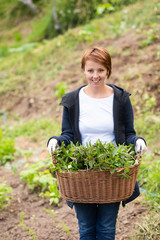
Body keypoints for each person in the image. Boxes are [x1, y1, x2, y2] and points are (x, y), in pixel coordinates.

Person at [47, 47, 147, 240]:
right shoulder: (73, 100)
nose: (95, 76)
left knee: (106, 227)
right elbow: (67, 134)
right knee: (85, 227)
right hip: (82, 171)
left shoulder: (120, 99)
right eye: (90, 70)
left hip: (113, 171)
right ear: (83, 70)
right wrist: (55, 141)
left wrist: (138, 141)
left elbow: (128, 134)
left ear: (108, 70)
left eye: (100, 70)